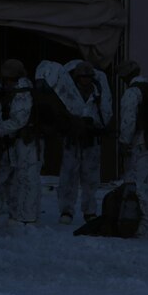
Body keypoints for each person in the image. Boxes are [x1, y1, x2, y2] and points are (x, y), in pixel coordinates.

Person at [0, 59, 40, 226]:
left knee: (25, 180)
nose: (6, 80)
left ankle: (25, 217)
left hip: (23, 142)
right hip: (7, 143)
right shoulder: (8, 91)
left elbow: (19, 120)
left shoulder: (23, 92)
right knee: (0, 178)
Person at [58, 61, 113, 224]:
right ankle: (66, 210)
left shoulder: (98, 91)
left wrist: (93, 124)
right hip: (72, 141)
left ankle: (89, 211)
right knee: (68, 177)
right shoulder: (68, 91)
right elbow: (62, 113)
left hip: (91, 140)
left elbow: (106, 113)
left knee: (91, 178)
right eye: (82, 76)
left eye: (88, 76)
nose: (86, 80)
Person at [116, 60, 148, 238]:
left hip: (141, 142)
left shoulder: (132, 93)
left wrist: (123, 142)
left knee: (139, 184)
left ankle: (146, 226)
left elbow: (128, 121)